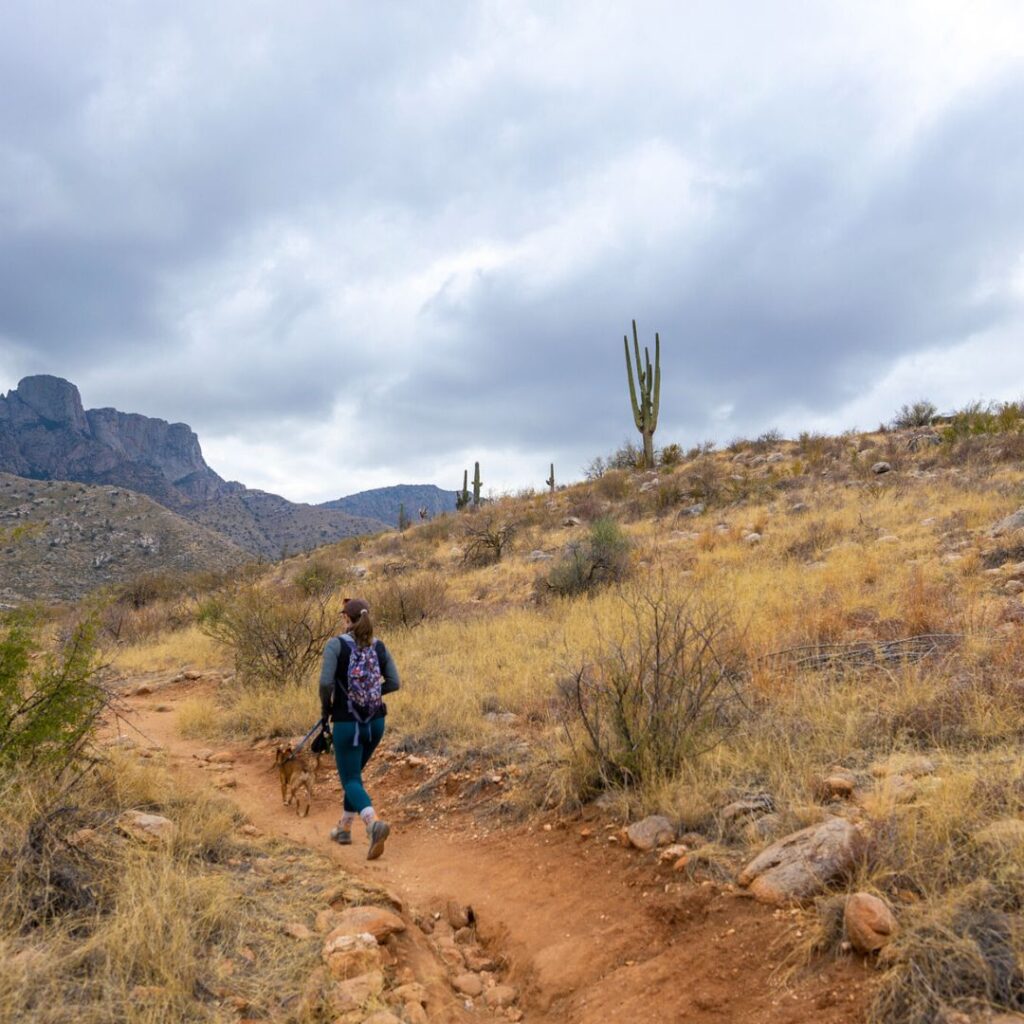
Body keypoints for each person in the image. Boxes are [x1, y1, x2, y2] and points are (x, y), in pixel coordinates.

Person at [318, 596, 400, 859]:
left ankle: (373, 824)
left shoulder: (335, 646)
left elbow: (325, 683)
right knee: (354, 776)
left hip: (347, 723)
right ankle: (344, 828)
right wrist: (373, 694)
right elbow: (395, 683)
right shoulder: (379, 647)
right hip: (375, 722)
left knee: (350, 778)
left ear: (346, 619)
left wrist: (327, 709)